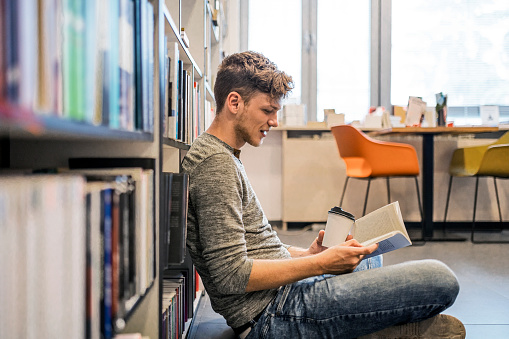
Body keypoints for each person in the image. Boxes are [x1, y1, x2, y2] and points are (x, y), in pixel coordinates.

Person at [181, 51, 466, 338]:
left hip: (281, 296)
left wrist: (308, 254)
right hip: (270, 316)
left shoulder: (223, 155)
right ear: (234, 102)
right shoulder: (215, 164)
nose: (275, 121)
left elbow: (253, 247)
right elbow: (231, 276)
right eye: (268, 111)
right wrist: (319, 265)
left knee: (366, 255)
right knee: (441, 279)